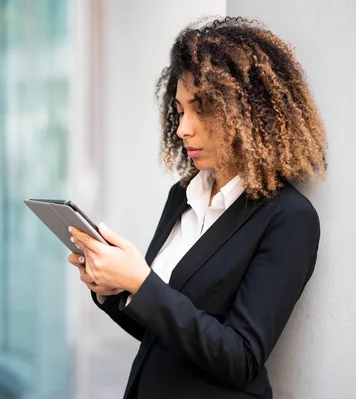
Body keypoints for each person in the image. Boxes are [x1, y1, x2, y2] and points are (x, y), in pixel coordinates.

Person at [68, 17, 327, 399]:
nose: (182, 128)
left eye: (200, 108)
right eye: (179, 110)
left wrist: (140, 282)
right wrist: (113, 289)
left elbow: (242, 357)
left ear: (248, 111)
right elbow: (160, 330)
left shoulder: (289, 218)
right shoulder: (183, 195)